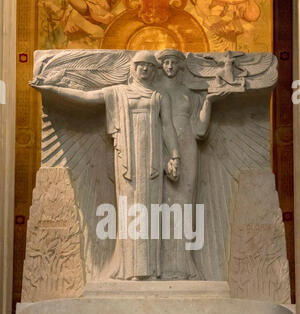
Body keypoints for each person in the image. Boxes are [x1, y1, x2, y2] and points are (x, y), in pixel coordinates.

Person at [31, 51, 181, 280]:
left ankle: (151, 270)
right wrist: (52, 89)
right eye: (140, 65)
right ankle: (130, 270)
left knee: (150, 211)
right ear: (133, 68)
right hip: (127, 160)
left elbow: (168, 127)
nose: (145, 70)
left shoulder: (159, 97)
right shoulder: (118, 92)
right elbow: (86, 97)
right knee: (129, 211)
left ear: (154, 70)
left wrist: (175, 155)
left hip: (152, 160)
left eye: (149, 66)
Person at [156, 49, 225, 279]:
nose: (169, 66)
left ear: (181, 66)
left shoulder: (189, 94)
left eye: (174, 62)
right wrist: (165, 156)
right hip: (163, 148)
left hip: (188, 148)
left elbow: (200, 130)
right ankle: (163, 265)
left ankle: (184, 264)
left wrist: (210, 101)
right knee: (163, 204)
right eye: (165, 62)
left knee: (185, 203)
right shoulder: (154, 93)